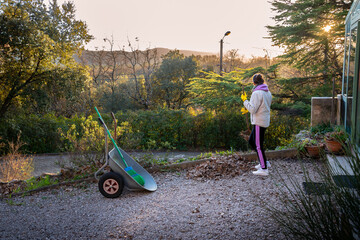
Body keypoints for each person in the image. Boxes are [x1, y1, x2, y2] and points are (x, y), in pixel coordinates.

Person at [242, 73, 272, 176]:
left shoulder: (257, 93)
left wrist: (245, 101)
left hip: (259, 122)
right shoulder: (267, 92)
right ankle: (264, 162)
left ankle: (264, 169)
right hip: (263, 120)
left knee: (258, 145)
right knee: (252, 141)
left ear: (254, 82)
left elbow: (252, 110)